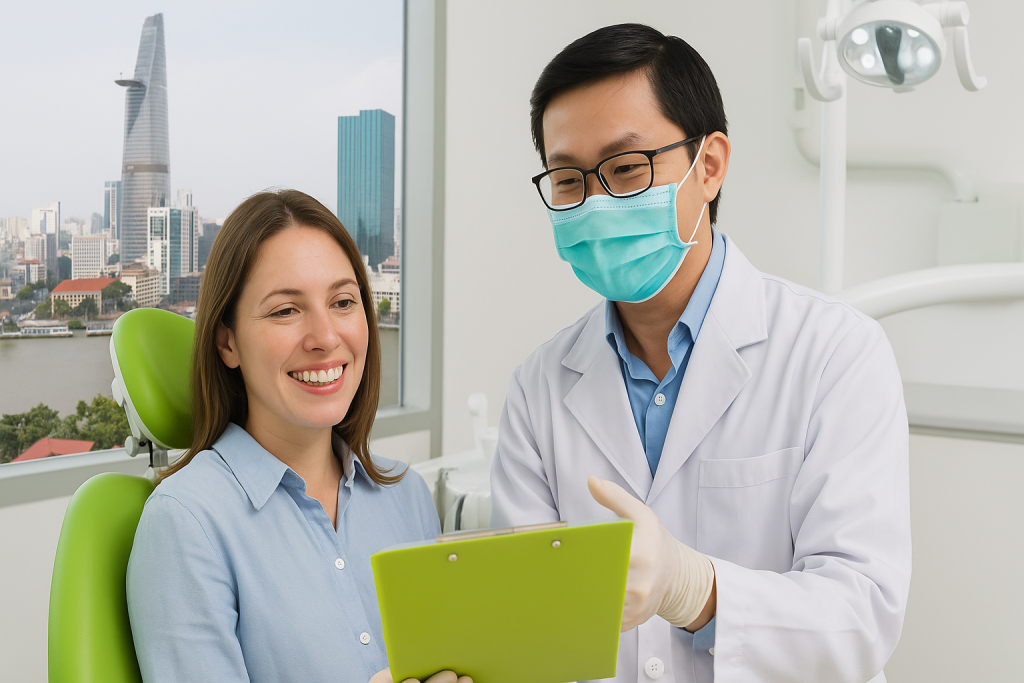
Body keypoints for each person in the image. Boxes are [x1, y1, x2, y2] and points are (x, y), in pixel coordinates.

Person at [490, 24, 911, 683]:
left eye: (626, 169)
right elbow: (534, 630)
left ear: (708, 165)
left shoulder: (836, 353)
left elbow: (862, 617)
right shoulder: (536, 388)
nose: (596, 205)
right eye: (569, 181)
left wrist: (696, 589)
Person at [127, 190, 470, 683]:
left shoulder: (406, 494)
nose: (325, 337)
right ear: (227, 342)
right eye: (286, 311)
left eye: (343, 302)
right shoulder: (186, 523)